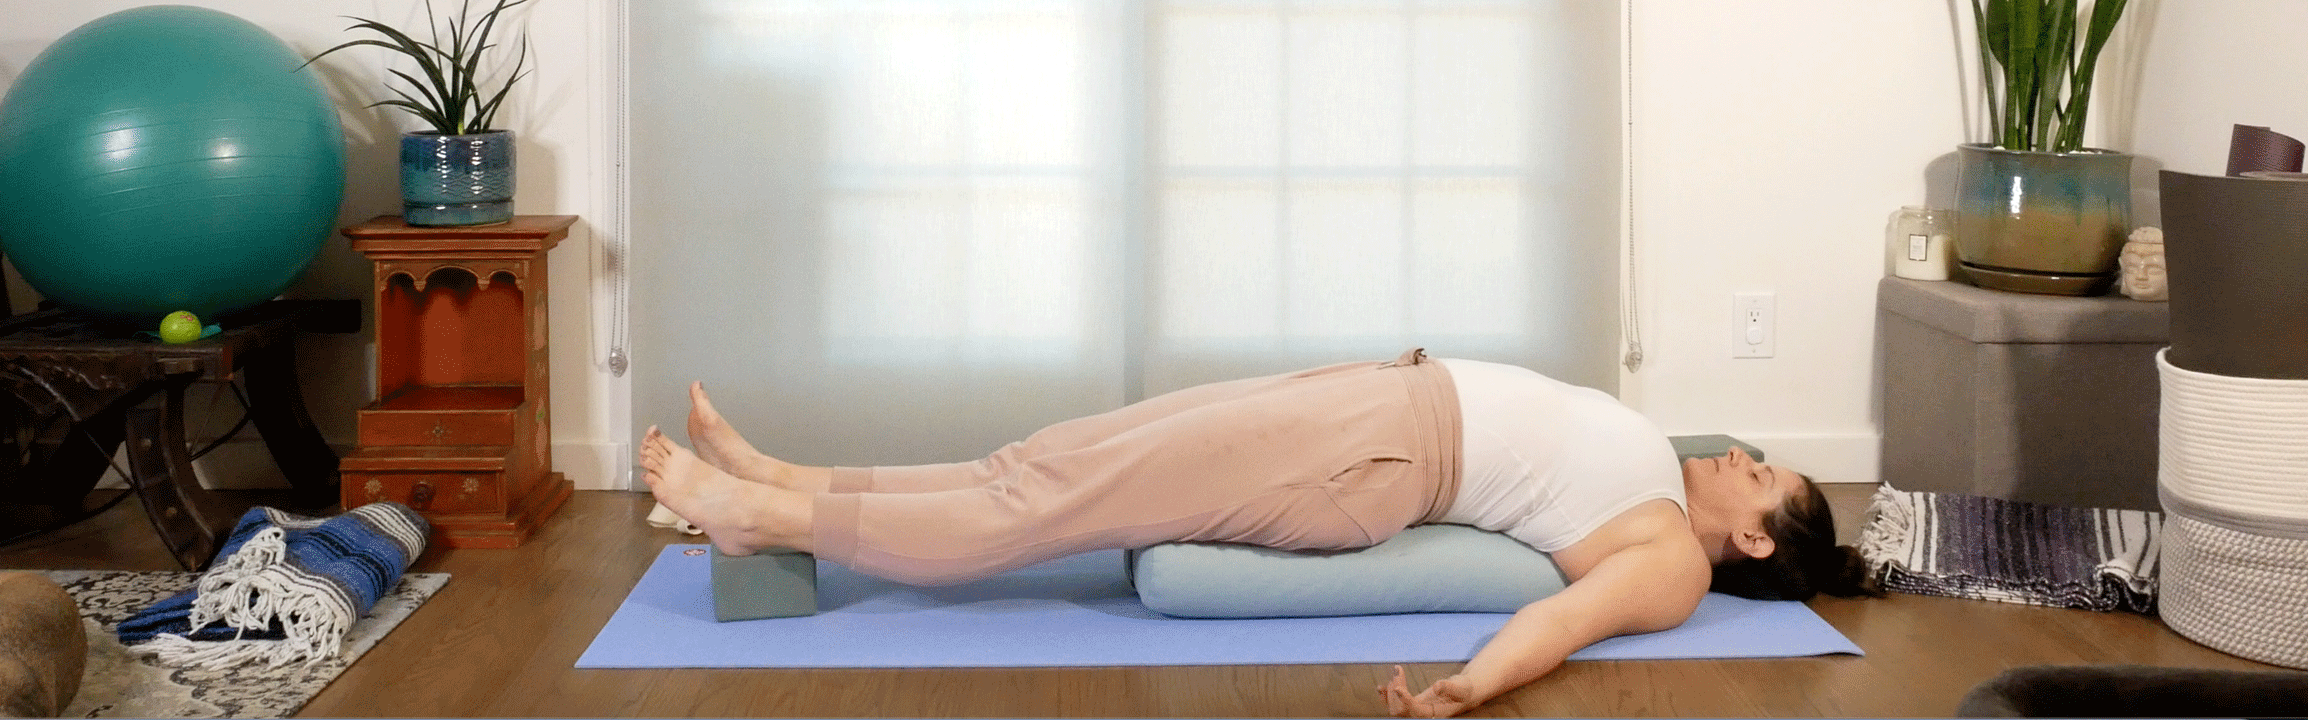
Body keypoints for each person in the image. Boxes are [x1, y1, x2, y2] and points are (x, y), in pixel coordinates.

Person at [639, 349, 1879, 717]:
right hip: (1372, 395)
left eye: (1760, 477)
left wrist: (1463, 693)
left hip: (1372, 459)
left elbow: (1558, 620)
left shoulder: (1665, 556)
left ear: (1757, 543)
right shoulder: (1669, 462)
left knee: (1048, 505)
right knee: (1052, 457)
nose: (1736, 457)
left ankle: (756, 514)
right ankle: (787, 476)